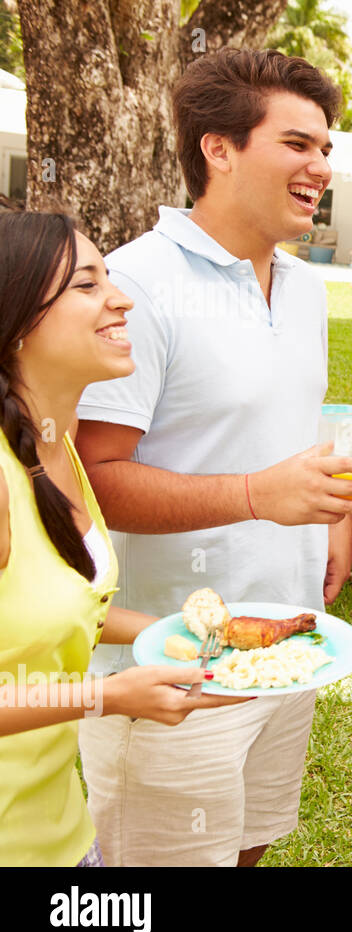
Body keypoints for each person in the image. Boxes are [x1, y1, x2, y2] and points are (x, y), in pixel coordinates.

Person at [72, 49, 352, 867]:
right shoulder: (136, 284)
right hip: (170, 661)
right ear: (219, 148)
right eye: (298, 143)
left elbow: (286, 419)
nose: (320, 166)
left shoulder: (307, 286)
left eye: (326, 148)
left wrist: (331, 525)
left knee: (249, 846)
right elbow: (91, 484)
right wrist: (255, 495)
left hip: (289, 644)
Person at [0, 212, 240, 866]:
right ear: (18, 322)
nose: (121, 298)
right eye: (86, 284)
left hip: (61, 834)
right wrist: (109, 696)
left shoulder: (60, 453)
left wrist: (174, 633)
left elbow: (62, 610)